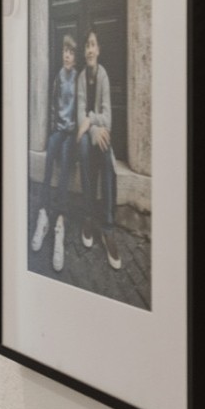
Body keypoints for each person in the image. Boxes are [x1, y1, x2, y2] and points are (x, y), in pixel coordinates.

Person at [30, 33, 80, 272]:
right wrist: (53, 128)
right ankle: (43, 213)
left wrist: (75, 132)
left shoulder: (78, 79)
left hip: (71, 133)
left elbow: (79, 108)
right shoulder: (58, 78)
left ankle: (60, 219)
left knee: (66, 158)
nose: (67, 56)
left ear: (76, 57)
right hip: (59, 130)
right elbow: (53, 105)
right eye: (64, 52)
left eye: (71, 52)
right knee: (50, 154)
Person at [76, 30, 123, 270]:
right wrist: (91, 128)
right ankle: (87, 216)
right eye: (87, 46)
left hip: (99, 137)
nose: (90, 50)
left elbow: (108, 120)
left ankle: (107, 227)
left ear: (99, 50)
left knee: (104, 146)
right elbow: (79, 118)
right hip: (87, 139)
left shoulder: (103, 76)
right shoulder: (81, 78)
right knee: (85, 146)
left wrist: (91, 122)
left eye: (93, 45)